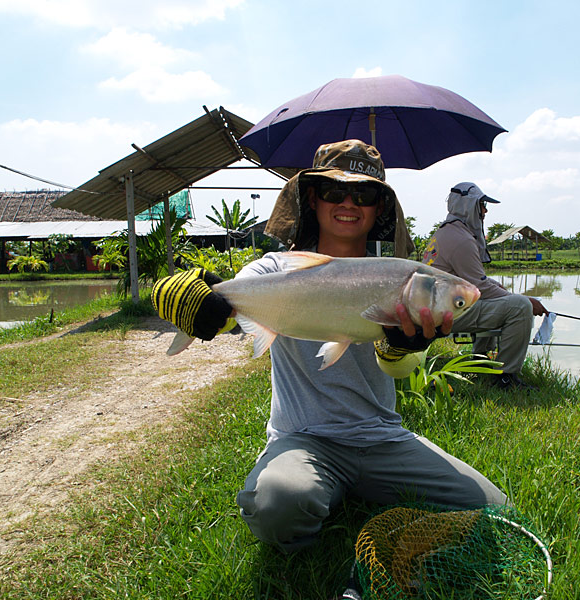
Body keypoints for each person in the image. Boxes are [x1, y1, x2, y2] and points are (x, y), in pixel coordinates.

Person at [152, 140, 506, 553]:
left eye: (365, 194)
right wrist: (195, 297)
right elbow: (215, 293)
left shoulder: (403, 279)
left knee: (492, 507)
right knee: (277, 504)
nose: (349, 203)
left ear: (380, 208)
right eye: (335, 192)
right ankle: (312, 500)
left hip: (382, 438)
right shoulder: (275, 268)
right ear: (313, 198)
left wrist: (399, 346)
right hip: (304, 438)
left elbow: (399, 370)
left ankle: (351, 489)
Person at [422, 182, 548, 390]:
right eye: (482, 205)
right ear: (467, 206)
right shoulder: (461, 239)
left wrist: (501, 290)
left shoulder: (446, 232)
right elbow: (478, 288)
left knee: (503, 298)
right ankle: (505, 376)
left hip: (438, 306)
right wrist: (526, 300)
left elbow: (475, 280)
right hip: (445, 314)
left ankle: (479, 362)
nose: (485, 210)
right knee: (519, 307)